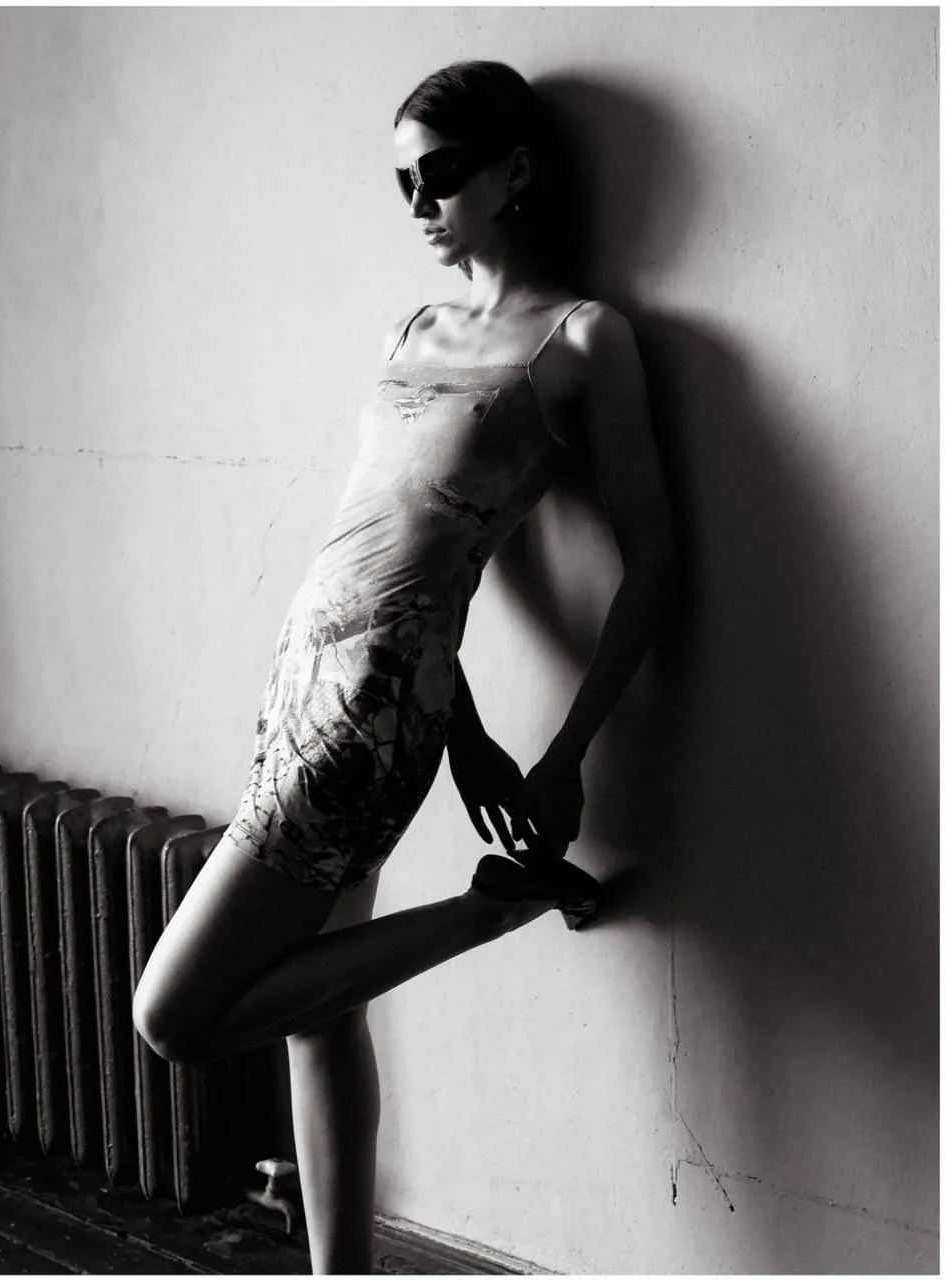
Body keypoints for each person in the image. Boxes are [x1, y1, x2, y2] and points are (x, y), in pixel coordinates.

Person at [133, 60, 676, 1275]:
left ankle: (496, 906)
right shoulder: (411, 331)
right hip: (307, 681)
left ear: (514, 171)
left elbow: (653, 559)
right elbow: (399, 546)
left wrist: (563, 754)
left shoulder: (582, 338)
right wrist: (469, 738)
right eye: (402, 184)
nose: (420, 204)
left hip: (366, 716)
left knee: (173, 1013)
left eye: (440, 174)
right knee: (319, 1018)